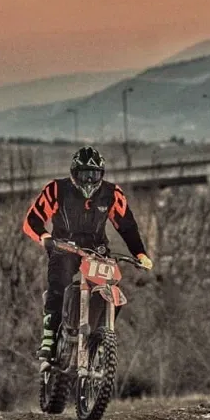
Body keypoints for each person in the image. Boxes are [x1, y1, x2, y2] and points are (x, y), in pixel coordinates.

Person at [22, 145, 153, 368]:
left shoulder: (112, 194)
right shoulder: (56, 189)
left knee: (111, 287)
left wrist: (140, 253)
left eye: (94, 174)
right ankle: (50, 337)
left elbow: (127, 226)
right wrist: (45, 237)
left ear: (102, 174)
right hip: (64, 248)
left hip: (97, 251)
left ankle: (99, 336)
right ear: (74, 173)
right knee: (59, 282)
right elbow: (31, 220)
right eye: (84, 174)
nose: (89, 180)